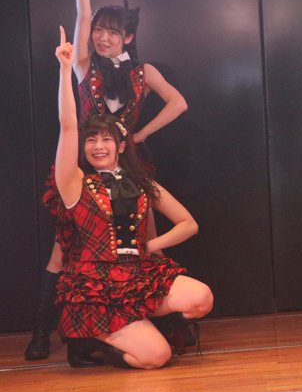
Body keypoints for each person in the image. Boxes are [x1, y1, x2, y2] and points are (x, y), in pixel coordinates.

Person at [26, 0, 190, 361]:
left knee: (145, 239)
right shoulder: (85, 67)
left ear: (127, 38)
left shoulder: (143, 73)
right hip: (82, 165)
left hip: (128, 163)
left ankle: (159, 322)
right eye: (99, 31)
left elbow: (179, 103)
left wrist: (140, 135)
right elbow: (82, 16)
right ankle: (44, 332)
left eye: (111, 32)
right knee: (64, 248)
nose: (102, 37)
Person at [52, 26, 211, 368]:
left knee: (201, 298)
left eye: (106, 140)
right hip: (96, 286)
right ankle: (97, 340)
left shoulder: (139, 182)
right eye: (91, 140)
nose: (98, 146)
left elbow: (188, 224)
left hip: (137, 274)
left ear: (121, 146)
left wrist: (150, 246)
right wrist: (65, 71)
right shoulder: (74, 182)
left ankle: (140, 323)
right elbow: (67, 126)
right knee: (156, 357)